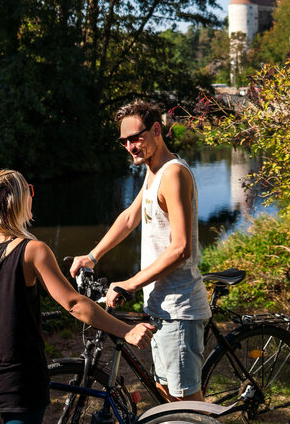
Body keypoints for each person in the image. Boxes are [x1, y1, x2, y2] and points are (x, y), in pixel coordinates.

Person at [0, 169, 155, 424]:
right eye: (29, 190)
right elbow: (74, 304)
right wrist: (126, 331)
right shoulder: (34, 252)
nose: (33, 194)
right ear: (17, 202)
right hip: (21, 384)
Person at [69, 100, 211, 407]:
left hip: (179, 307)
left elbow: (181, 248)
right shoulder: (153, 171)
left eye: (136, 137)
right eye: (124, 141)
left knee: (187, 404)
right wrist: (92, 256)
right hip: (159, 305)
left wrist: (129, 283)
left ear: (156, 130)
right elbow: (130, 217)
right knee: (169, 396)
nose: (131, 146)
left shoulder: (173, 174)